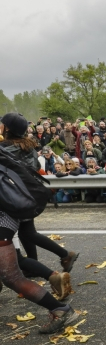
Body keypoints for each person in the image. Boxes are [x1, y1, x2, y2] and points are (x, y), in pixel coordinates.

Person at [0, 113, 79, 333]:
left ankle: (60, 307)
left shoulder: (5, 148)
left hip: (6, 212)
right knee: (23, 248)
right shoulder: (29, 147)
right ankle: (59, 268)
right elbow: (35, 170)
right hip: (20, 202)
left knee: (13, 274)